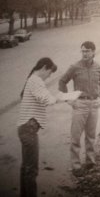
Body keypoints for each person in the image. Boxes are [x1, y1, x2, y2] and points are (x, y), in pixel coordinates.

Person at [59, 41, 100, 177]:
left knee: (91, 136)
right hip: (80, 105)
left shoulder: (98, 67)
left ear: (93, 52)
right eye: (83, 51)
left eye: (87, 51)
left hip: (93, 105)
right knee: (76, 136)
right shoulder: (75, 67)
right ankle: (76, 165)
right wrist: (68, 99)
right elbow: (62, 81)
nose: (84, 53)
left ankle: (90, 161)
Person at [18, 57, 60, 197]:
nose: (49, 76)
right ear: (44, 68)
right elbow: (46, 99)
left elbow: (43, 96)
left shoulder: (31, 79)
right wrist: (60, 98)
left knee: (26, 167)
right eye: (49, 73)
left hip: (24, 128)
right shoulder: (36, 80)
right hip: (29, 129)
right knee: (31, 169)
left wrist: (55, 97)